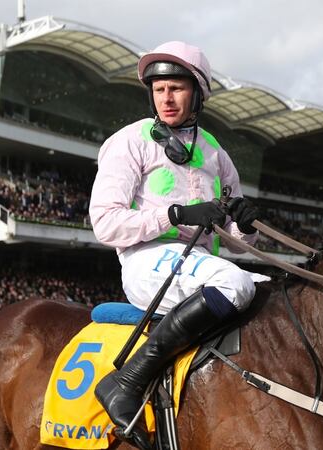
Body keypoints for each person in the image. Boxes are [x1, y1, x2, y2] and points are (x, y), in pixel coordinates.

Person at [88, 41, 266, 447]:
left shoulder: (216, 154)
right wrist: (175, 216)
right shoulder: (130, 141)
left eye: (177, 88)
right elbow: (105, 223)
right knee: (235, 286)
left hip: (201, 262)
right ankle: (127, 381)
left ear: (198, 93)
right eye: (159, 88)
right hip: (146, 261)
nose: (166, 98)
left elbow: (238, 245)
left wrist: (246, 223)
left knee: (272, 291)